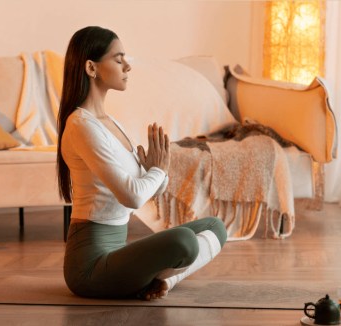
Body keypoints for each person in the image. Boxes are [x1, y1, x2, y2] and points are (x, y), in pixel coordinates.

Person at [57, 26, 227, 300]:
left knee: (214, 227)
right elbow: (133, 197)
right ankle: (155, 280)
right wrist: (157, 170)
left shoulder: (110, 123)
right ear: (91, 67)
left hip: (116, 255)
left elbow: (150, 190)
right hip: (89, 268)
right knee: (183, 242)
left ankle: (163, 283)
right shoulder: (80, 125)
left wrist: (155, 171)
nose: (127, 66)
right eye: (118, 58)